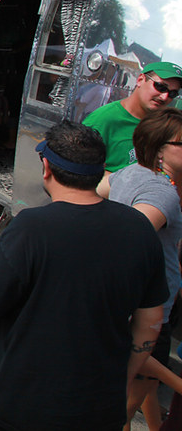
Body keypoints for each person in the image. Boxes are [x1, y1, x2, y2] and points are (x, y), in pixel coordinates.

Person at [0, 121, 167, 431]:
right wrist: (122, 378)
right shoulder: (139, 229)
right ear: (100, 172)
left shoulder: (31, 227)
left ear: (46, 167)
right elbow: (150, 322)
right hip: (96, 410)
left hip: (13, 406)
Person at [108, 108, 182, 429]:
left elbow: (97, 194)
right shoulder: (163, 192)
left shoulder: (127, 173)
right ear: (159, 150)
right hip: (152, 307)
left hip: (136, 303)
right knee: (124, 403)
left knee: (141, 383)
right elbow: (132, 237)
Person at [84, 61, 182, 191]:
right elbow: (78, 177)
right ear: (140, 80)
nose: (164, 97)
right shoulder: (102, 121)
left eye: (172, 93)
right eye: (160, 87)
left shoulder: (163, 126)